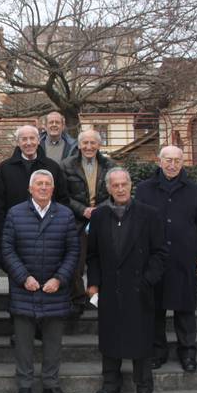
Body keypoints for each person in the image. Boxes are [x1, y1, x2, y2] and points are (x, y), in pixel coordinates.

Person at [86, 167, 167, 393]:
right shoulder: (99, 215)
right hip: (110, 288)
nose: (120, 189)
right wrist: (93, 283)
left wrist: (147, 280)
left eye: (124, 184)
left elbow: (160, 253)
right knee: (110, 337)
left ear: (130, 185)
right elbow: (93, 255)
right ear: (108, 188)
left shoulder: (149, 215)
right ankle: (110, 384)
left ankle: (143, 387)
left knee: (141, 339)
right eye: (115, 185)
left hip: (139, 288)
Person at [1, 170, 79, 393]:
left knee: (53, 343)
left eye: (47, 184)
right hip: (25, 289)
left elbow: (73, 252)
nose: (43, 188)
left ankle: (51, 385)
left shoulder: (65, 215)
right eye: (39, 184)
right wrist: (23, 277)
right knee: (23, 344)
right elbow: (7, 248)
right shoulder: (15, 213)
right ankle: (24, 387)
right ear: (30, 189)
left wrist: (60, 278)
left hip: (55, 290)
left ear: (53, 189)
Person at [134, 145, 197, 373]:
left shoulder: (195, 190)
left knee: (185, 308)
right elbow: (138, 225)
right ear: (159, 161)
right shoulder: (144, 189)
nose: (172, 164)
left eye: (177, 160)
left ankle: (187, 353)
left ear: (183, 162)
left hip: (183, 258)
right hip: (154, 259)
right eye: (168, 160)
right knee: (155, 309)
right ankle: (158, 352)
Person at [59, 129, 115, 313]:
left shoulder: (110, 165)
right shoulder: (66, 165)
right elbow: (62, 196)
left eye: (93, 143)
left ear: (99, 145)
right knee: (76, 263)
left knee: (104, 261)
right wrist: (83, 210)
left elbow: (117, 193)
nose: (89, 147)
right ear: (79, 145)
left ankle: (101, 298)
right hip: (76, 220)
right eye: (85, 143)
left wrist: (99, 210)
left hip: (104, 219)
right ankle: (78, 299)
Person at [0, 125, 68, 231]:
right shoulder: (5, 168)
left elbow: (62, 199)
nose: (28, 143)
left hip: (49, 229)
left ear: (38, 140)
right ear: (18, 143)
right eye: (24, 139)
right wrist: (3, 230)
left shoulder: (52, 167)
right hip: (15, 229)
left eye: (32, 138)